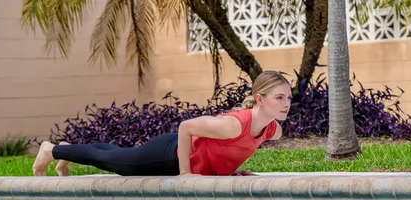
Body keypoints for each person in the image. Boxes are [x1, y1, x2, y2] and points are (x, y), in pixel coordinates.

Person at [31, 71, 291, 177]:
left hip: (180, 155)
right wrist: (186, 175)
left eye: (288, 97)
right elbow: (186, 127)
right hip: (170, 154)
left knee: (116, 154)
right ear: (259, 99)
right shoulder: (234, 124)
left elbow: (227, 150)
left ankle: (66, 148)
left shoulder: (272, 130)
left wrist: (231, 173)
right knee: (116, 163)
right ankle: (51, 150)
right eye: (279, 97)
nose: (286, 103)